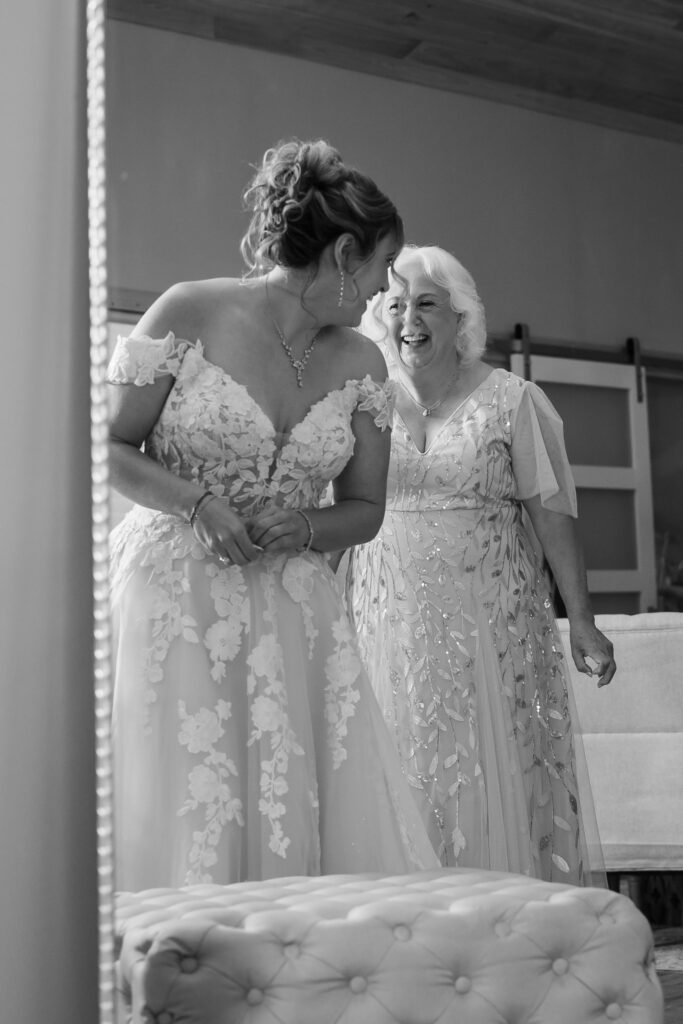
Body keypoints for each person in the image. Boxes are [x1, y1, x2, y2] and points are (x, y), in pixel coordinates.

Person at [107, 141, 439, 890]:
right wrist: (195, 503)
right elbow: (107, 447)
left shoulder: (363, 362)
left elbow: (366, 507)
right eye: (385, 268)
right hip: (174, 600)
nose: (386, 291)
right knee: (182, 791)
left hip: (295, 616)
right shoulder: (189, 310)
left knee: (293, 800)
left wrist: (309, 528)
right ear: (345, 253)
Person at [347, 244, 616, 885]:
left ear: (461, 317)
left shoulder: (512, 400)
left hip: (491, 629)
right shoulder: (364, 400)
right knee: (400, 774)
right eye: (395, 305)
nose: (409, 318)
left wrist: (582, 619)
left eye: (427, 304)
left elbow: (553, 517)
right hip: (386, 625)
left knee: (494, 774)